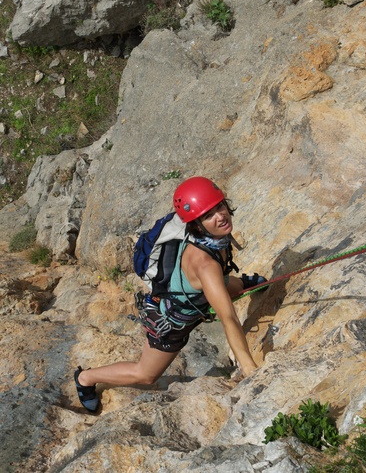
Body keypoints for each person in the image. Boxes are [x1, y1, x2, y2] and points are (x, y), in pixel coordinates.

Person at [74, 176, 266, 412]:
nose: (220, 216)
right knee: (145, 374)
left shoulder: (214, 237)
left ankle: (239, 283)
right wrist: (249, 368)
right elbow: (228, 318)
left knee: (228, 286)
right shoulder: (205, 264)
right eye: (208, 215)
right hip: (173, 320)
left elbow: (218, 279)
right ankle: (86, 378)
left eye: (220, 206)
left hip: (198, 294)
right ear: (196, 223)